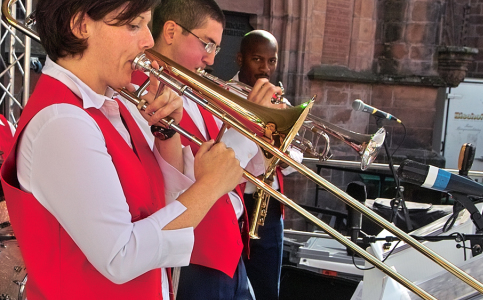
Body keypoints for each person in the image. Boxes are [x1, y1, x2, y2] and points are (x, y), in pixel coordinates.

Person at [0, 0, 243, 299]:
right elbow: (121, 256)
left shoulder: (109, 106)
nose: (148, 41)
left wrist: (166, 134)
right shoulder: (62, 120)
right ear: (80, 25)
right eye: (133, 25)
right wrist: (211, 186)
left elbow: (160, 208)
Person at [135, 1, 285, 299]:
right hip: (193, 254)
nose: (210, 59)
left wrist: (267, 128)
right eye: (207, 44)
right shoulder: (143, 91)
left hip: (228, 246)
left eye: (215, 48)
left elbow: (241, 172)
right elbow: (188, 181)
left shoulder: (197, 92)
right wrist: (250, 122)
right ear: (171, 31)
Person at [236, 29, 303, 300]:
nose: (265, 68)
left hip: (270, 209)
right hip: (234, 204)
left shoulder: (281, 103)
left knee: (266, 289)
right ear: (240, 59)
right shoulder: (222, 92)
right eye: (257, 59)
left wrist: (275, 144)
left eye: (271, 61)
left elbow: (295, 162)